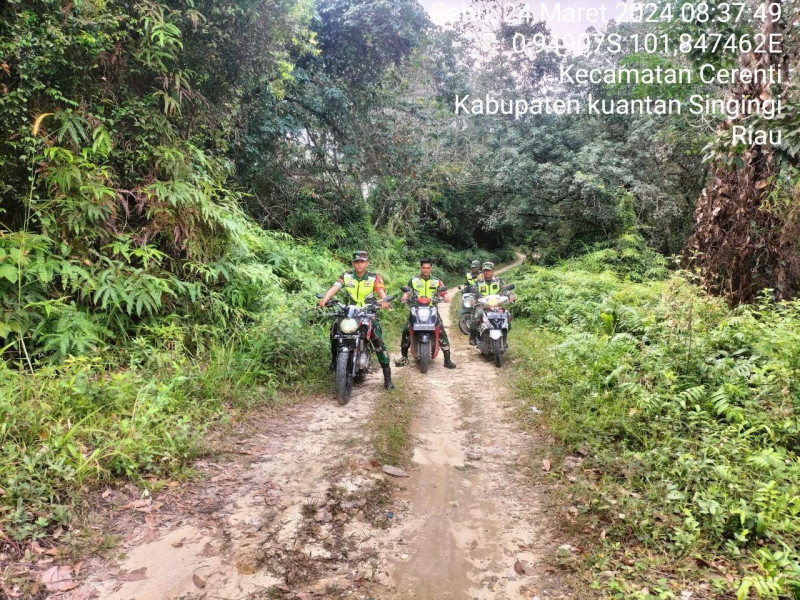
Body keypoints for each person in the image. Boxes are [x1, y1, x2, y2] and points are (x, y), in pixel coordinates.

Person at [318, 250, 394, 389]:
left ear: (367, 263)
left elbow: (381, 292)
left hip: (367, 312)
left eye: (362, 261)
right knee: (335, 329)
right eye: (356, 262)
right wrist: (325, 298)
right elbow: (335, 287)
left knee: (378, 340)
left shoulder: (374, 277)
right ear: (353, 263)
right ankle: (335, 358)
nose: (359, 264)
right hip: (350, 312)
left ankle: (387, 378)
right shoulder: (346, 276)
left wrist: (384, 301)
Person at [396, 258, 457, 369]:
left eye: (428, 268)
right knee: (406, 330)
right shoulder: (414, 280)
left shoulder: (436, 281)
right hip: (416, 310)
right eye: (423, 268)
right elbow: (407, 291)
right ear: (420, 268)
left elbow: (443, 292)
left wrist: (446, 296)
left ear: (431, 268)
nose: (426, 270)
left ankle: (447, 359)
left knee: (441, 331)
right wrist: (404, 297)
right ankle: (404, 357)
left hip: (432, 310)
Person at [469, 261, 514, 346]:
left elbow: (505, 290)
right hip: (483, 306)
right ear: (482, 271)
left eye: (488, 270)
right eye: (484, 270)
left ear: (493, 271)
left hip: (497, 306)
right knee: (476, 316)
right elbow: (473, 294)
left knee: (508, 316)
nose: (486, 272)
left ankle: (503, 338)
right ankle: (473, 336)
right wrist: (472, 300)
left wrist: (510, 295)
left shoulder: (498, 281)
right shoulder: (478, 282)